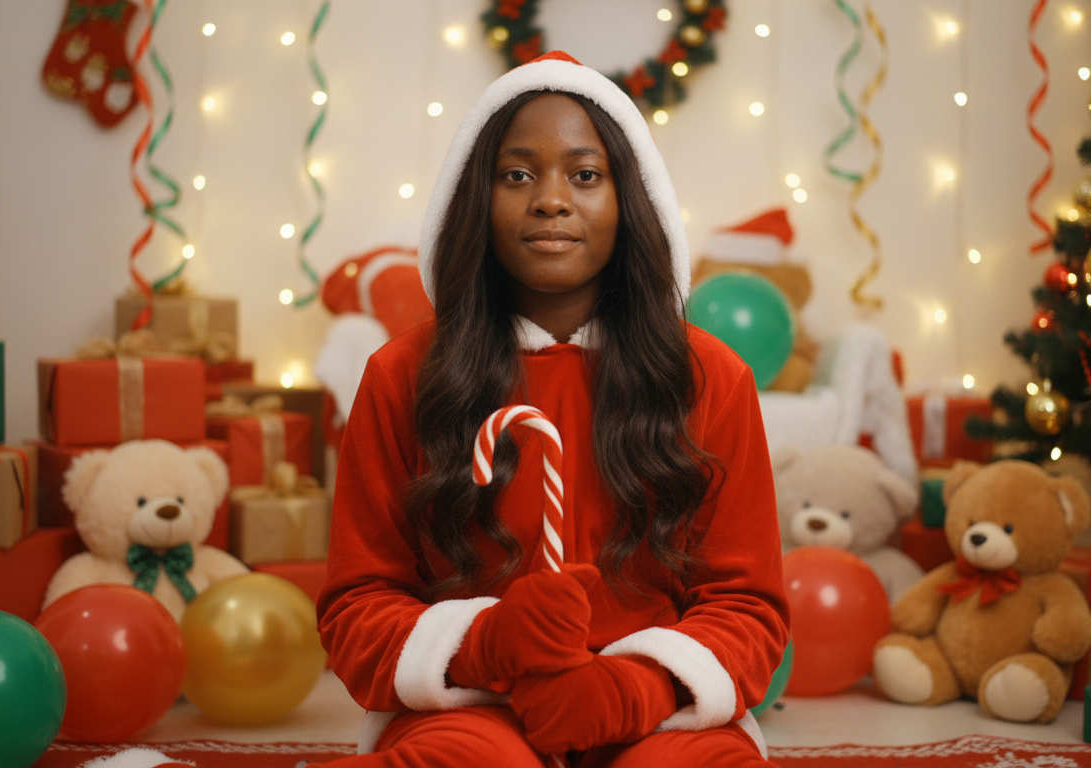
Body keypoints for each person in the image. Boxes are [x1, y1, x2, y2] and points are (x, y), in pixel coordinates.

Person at [314, 51, 789, 768]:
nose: (551, 199)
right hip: (470, 708)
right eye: (517, 174)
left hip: (661, 715)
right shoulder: (402, 376)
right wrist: (486, 644)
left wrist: (634, 686)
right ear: (476, 198)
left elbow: (749, 608)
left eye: (585, 174)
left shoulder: (711, 379)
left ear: (631, 199)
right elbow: (358, 606)